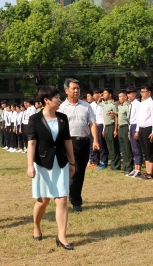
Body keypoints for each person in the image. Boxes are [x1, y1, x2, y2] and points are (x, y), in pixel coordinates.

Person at [26, 85, 75, 250]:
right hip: (42, 164)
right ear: (46, 100)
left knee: (62, 200)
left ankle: (62, 236)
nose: (60, 100)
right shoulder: (34, 119)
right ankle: (36, 227)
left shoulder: (62, 118)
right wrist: (30, 166)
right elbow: (32, 143)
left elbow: (67, 141)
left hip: (60, 162)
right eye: (57, 98)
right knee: (43, 201)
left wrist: (72, 162)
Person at [58, 78, 99, 212]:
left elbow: (92, 123)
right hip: (69, 142)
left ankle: (73, 195)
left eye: (78, 88)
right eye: (73, 88)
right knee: (74, 171)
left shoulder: (86, 106)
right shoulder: (62, 107)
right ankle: (76, 201)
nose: (76, 91)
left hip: (84, 142)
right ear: (66, 91)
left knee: (80, 172)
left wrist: (95, 140)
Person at [136, 85, 153, 180]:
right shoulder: (142, 103)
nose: (142, 94)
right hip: (141, 128)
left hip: (148, 128)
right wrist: (137, 130)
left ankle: (150, 172)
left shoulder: (151, 103)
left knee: (149, 151)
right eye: (141, 92)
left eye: (144, 92)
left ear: (149, 92)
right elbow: (139, 118)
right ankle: (147, 171)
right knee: (145, 151)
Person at [101, 89, 120, 171]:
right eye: (103, 93)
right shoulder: (104, 104)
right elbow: (98, 103)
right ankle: (113, 164)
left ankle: (116, 165)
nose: (104, 95)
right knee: (109, 147)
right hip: (107, 126)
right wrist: (100, 97)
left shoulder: (113, 105)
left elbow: (116, 118)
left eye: (105, 93)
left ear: (110, 95)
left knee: (113, 146)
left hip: (112, 126)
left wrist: (115, 130)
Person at [126, 87, 143, 177]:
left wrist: (137, 130)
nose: (129, 95)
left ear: (135, 93)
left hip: (136, 125)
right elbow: (130, 119)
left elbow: (139, 118)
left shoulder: (137, 104)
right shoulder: (131, 105)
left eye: (130, 93)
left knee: (137, 148)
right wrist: (129, 131)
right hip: (131, 126)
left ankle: (138, 169)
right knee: (133, 149)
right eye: (128, 93)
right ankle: (135, 168)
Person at [116, 90, 134, 175]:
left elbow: (128, 119)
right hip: (120, 127)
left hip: (125, 127)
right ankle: (125, 166)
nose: (119, 98)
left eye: (120, 96)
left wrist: (129, 131)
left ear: (125, 97)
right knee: (123, 148)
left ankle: (129, 167)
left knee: (127, 148)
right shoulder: (121, 106)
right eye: (119, 97)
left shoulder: (127, 106)